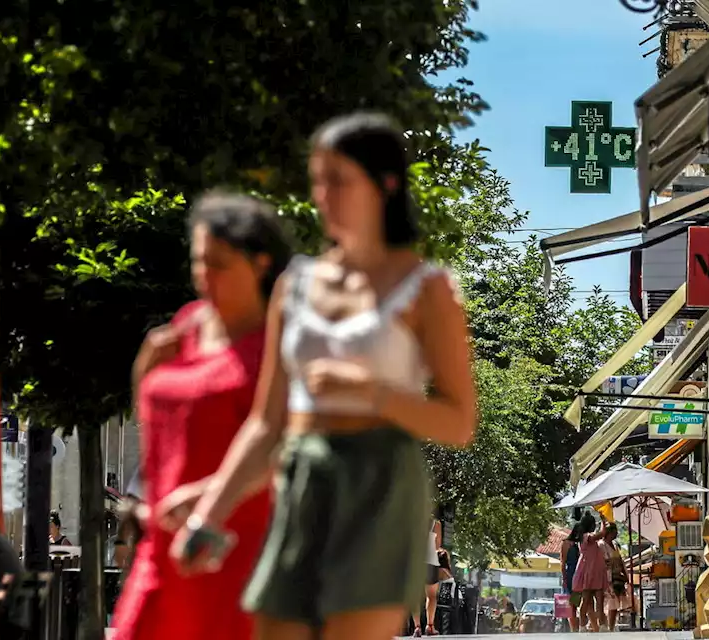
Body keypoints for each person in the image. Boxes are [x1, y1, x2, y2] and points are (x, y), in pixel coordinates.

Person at [160, 112, 478, 640]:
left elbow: (458, 422)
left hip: (379, 478)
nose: (323, 196)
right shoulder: (295, 283)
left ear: (386, 186)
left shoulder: (427, 288)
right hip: (303, 473)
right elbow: (267, 423)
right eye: (318, 180)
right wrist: (210, 510)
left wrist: (371, 392)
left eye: (339, 181)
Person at [109, 191, 295, 640]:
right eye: (198, 262)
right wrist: (144, 372)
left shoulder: (279, 339)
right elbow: (162, 427)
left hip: (235, 546)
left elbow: (287, 445)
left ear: (261, 263)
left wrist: (208, 496)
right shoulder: (189, 323)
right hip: (163, 543)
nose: (204, 276)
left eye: (219, 264)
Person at [572, 516, 609, 633]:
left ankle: (601, 625)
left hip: (595, 571)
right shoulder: (586, 537)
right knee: (587, 600)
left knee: (598, 600)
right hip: (589, 572)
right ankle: (583, 625)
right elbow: (602, 533)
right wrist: (603, 521)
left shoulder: (587, 538)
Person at [412, 519, 444, 636]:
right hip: (431, 560)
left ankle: (417, 627)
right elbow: (437, 545)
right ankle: (430, 626)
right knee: (431, 595)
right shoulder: (436, 524)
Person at [559, 509, 588, 632]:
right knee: (570, 605)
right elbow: (563, 561)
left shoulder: (580, 544)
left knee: (576, 603)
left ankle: (576, 628)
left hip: (578, 574)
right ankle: (573, 629)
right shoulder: (566, 543)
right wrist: (564, 579)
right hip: (570, 574)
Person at [601, 522, 629, 631]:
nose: (616, 533)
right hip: (608, 577)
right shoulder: (601, 545)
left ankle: (611, 626)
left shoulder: (615, 545)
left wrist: (625, 575)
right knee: (611, 602)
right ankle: (608, 626)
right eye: (614, 531)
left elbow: (621, 561)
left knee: (616, 604)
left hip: (618, 577)